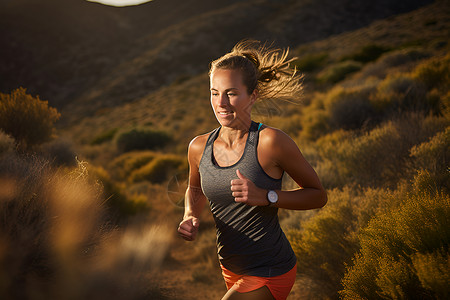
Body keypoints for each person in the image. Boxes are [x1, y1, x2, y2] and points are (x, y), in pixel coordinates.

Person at [177, 40, 327, 300]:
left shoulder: (271, 142)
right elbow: (195, 188)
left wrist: (267, 196)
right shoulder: (199, 146)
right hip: (230, 268)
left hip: (270, 268)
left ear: (253, 95)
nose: (221, 103)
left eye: (231, 93)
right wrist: (190, 215)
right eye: (214, 92)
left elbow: (317, 195)